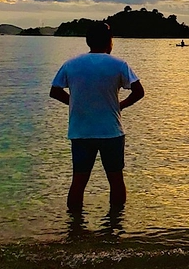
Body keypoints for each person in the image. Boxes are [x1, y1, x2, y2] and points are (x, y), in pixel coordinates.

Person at [50, 22, 145, 212]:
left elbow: (55, 91)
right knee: (116, 180)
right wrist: (120, 105)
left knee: (78, 181)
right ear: (110, 41)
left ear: (88, 41)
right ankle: (116, 223)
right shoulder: (118, 65)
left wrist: (75, 103)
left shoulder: (71, 64)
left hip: (81, 132)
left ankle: (75, 224)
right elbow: (138, 92)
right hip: (111, 132)